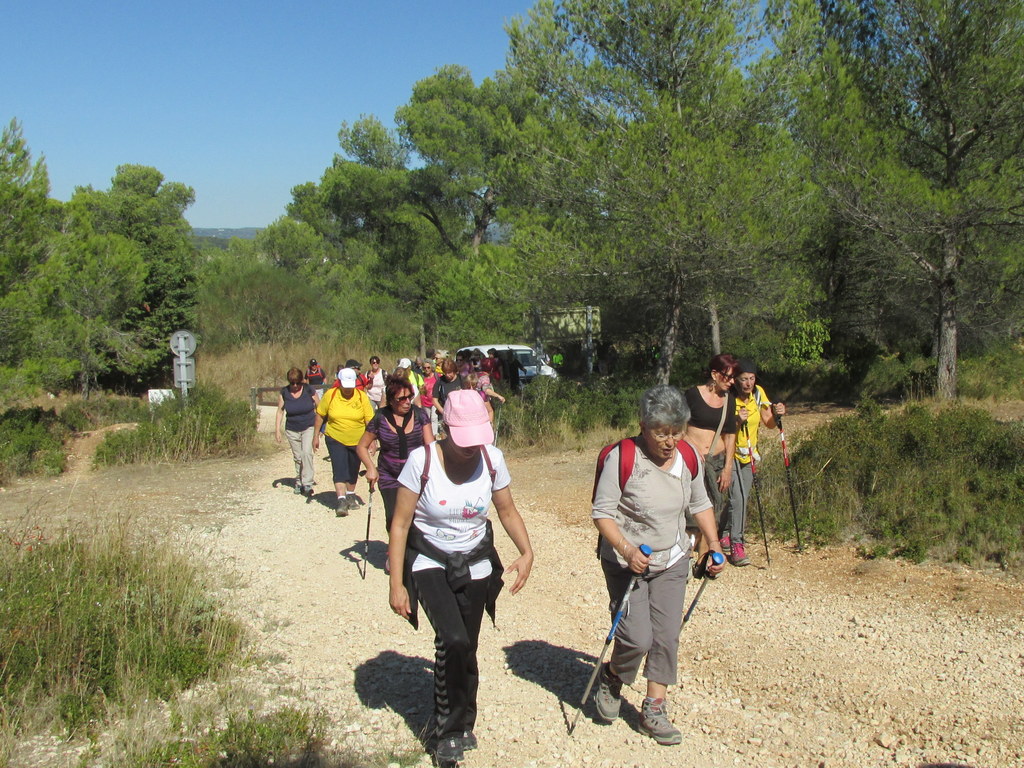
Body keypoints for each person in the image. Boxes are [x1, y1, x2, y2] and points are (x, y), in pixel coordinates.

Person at [388, 390, 534, 767]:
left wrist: (526, 550)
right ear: (445, 428)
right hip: (429, 559)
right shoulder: (421, 462)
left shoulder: (492, 458)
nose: (471, 448)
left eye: (478, 438)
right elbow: (400, 524)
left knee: (467, 645)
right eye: (463, 440)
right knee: (451, 639)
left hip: (476, 560)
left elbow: (506, 508)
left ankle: (465, 719)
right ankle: (447, 732)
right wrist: (396, 584)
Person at [591, 385, 724, 745]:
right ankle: (613, 676)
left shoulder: (688, 457)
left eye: (675, 431)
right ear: (643, 426)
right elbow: (602, 514)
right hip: (626, 561)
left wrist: (712, 544)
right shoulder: (624, 457)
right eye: (660, 432)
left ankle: (654, 706)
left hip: (673, 558)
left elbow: (700, 503)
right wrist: (626, 548)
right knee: (636, 637)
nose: (669, 441)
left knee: (666, 636)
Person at [356, 377, 435, 537]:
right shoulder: (380, 418)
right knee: (393, 517)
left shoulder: (420, 415)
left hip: (416, 475)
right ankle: (394, 552)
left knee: (416, 518)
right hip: (389, 475)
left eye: (410, 397)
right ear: (391, 400)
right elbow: (362, 446)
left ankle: (411, 554)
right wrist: (371, 468)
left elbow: (431, 447)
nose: (407, 402)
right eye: (402, 398)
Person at [726, 360, 785, 566]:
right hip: (729, 454)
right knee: (737, 498)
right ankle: (736, 544)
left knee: (741, 497)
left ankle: (725, 533)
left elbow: (768, 423)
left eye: (751, 379)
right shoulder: (728, 396)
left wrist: (777, 416)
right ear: (735, 380)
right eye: (744, 379)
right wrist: (736, 421)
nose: (748, 383)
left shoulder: (758, 393)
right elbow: (721, 426)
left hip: (750, 454)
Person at [684, 354, 740, 554]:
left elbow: (730, 436)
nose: (732, 382)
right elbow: (678, 425)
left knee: (712, 512)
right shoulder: (691, 395)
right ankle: (686, 556)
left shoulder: (729, 400)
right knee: (690, 512)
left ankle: (704, 558)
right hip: (692, 462)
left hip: (716, 463)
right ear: (715, 374)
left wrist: (727, 468)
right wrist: (691, 446)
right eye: (728, 377)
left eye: (734, 378)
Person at [314, 367, 374, 516]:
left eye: (350, 386)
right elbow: (320, 415)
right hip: (335, 437)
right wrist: (316, 435)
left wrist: (372, 440)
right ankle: (341, 499)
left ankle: (351, 494)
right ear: (339, 382)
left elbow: (369, 419)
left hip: (358, 439)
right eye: (345, 386)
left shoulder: (361, 396)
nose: (348, 390)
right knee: (339, 466)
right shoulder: (331, 395)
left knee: (353, 468)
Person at [275, 367, 319, 497]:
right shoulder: (284, 392)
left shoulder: (308, 389)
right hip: (292, 429)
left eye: (297, 383)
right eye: (292, 383)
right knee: (298, 457)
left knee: (306, 453)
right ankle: (299, 481)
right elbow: (280, 411)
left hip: (308, 426)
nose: (295, 386)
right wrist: (277, 430)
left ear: (302, 381)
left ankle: (308, 483)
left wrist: (320, 427)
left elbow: (319, 406)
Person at [431, 358, 462, 429]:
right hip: (446, 414)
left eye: (450, 372)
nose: (447, 375)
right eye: (445, 372)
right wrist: (444, 412)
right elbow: (434, 400)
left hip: (460, 414)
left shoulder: (461, 379)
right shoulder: (440, 381)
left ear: (454, 371)